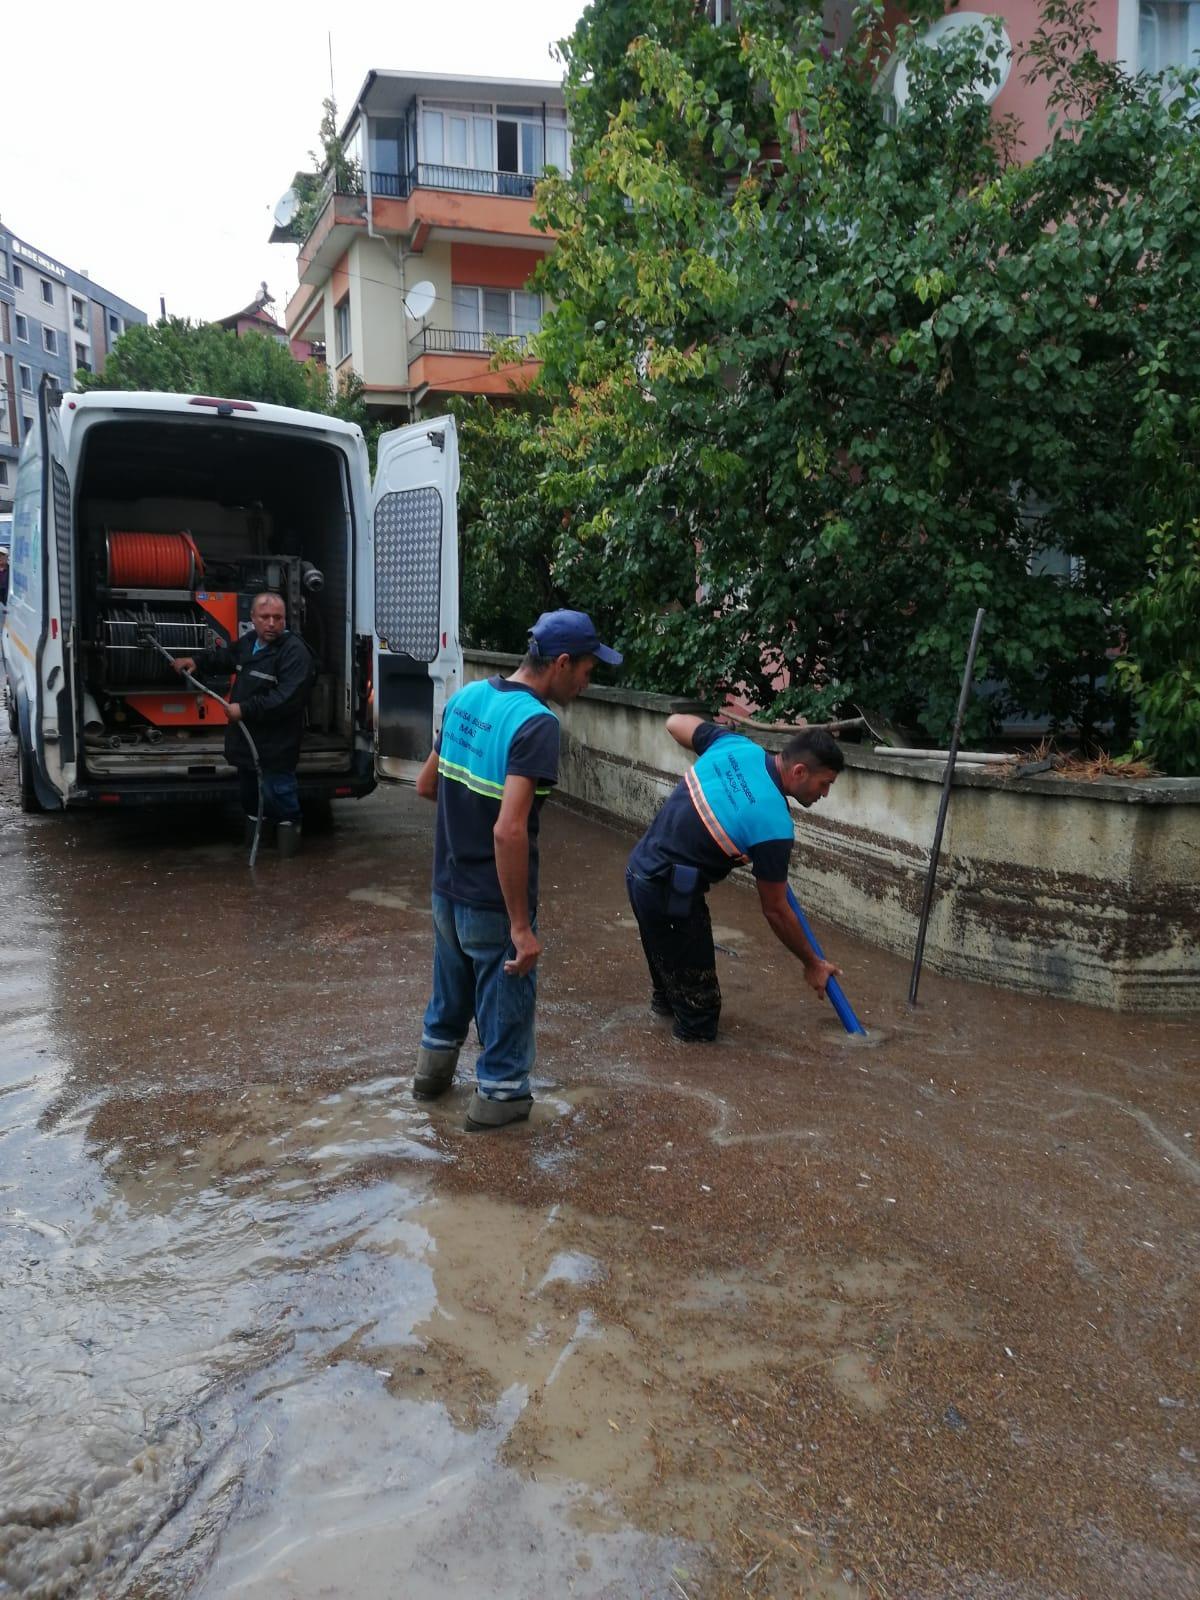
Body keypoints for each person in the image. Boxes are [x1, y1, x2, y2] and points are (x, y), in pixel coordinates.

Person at [412, 609, 622, 1132]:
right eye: (588, 671)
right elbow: (509, 831)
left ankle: (431, 1080)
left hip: (446, 889)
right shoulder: (537, 724)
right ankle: (499, 1106)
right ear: (563, 662)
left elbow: (426, 786)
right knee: (506, 1006)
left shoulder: (465, 699)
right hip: (492, 901)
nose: (587, 682)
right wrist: (521, 929)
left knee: (449, 997)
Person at [625, 717, 845, 1042]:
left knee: (670, 997)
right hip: (670, 900)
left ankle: (654, 1050)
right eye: (824, 783)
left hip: (639, 873)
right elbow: (776, 910)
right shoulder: (774, 824)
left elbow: (674, 723)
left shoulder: (735, 746)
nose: (825, 794)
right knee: (699, 1020)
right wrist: (812, 963)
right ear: (799, 771)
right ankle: (677, 1083)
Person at [172, 592, 314, 856]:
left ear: (285, 619)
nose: (271, 623)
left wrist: (244, 709)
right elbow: (226, 657)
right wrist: (196, 662)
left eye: (278, 618)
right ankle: (255, 844)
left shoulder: (295, 652)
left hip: (277, 743)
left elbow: (287, 699)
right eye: (265, 617)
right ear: (253, 619)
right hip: (248, 740)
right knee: (250, 793)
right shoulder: (250, 643)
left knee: (278, 792)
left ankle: (288, 853)